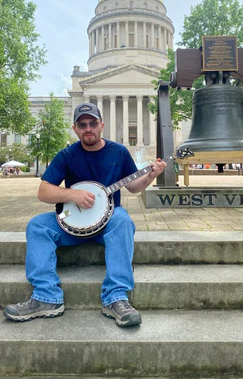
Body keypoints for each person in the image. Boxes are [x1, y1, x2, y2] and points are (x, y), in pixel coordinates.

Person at [3, 103, 166, 327]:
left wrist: (149, 177)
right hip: (70, 223)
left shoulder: (118, 152)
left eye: (92, 124)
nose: (88, 128)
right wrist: (72, 194)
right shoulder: (67, 155)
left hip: (107, 222)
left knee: (123, 219)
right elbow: (44, 191)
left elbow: (133, 187)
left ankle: (116, 297)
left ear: (102, 125)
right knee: (36, 225)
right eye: (82, 125)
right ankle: (46, 297)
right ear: (75, 128)